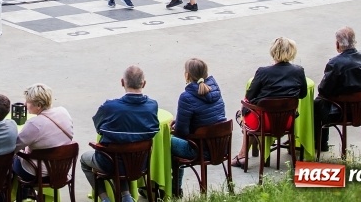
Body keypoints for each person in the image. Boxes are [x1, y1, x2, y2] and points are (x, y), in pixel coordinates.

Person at [80, 66, 159, 202]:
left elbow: (98, 128)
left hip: (110, 163)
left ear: (122, 82)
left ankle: (105, 199)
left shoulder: (110, 107)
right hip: (139, 163)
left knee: (85, 160)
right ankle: (126, 197)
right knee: (123, 153)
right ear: (144, 83)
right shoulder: (152, 106)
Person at [232, 37, 308, 168]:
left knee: (244, 112)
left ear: (273, 51)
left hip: (263, 122)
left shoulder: (263, 72)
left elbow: (250, 96)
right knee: (250, 113)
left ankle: (242, 155)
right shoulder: (299, 71)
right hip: (287, 121)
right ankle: (244, 153)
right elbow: (303, 94)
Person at [314, 27, 361, 152]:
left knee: (317, 103)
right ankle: (321, 144)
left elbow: (323, 90)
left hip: (341, 112)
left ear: (338, 44)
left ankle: (321, 143)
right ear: (354, 41)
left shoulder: (335, 63)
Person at [170, 58, 226, 195]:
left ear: (187, 75)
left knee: (166, 142)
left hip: (198, 150)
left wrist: (173, 129)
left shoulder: (186, 97)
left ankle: (175, 189)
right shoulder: (215, 90)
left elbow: (181, 132)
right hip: (220, 146)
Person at [13, 83, 74, 183]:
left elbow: (14, 147)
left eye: (28, 101)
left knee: (11, 160)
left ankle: (21, 191)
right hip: (62, 170)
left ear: (38, 105)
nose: (25, 104)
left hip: (39, 174)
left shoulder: (34, 124)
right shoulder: (63, 112)